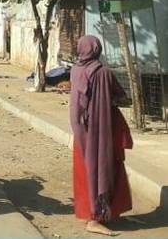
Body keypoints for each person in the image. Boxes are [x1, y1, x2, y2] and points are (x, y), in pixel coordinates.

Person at [70, 35, 132, 236]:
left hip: (81, 133)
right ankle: (95, 219)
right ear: (97, 49)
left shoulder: (75, 70)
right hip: (101, 132)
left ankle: (93, 214)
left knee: (85, 174)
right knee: (103, 170)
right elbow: (123, 98)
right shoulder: (103, 73)